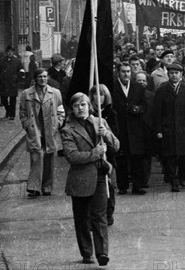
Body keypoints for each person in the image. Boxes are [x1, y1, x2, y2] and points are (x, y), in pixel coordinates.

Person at [61, 93, 119, 266]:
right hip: (80, 179)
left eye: (84, 105)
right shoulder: (68, 129)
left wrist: (106, 134)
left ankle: (102, 253)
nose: (81, 108)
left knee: (99, 216)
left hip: (100, 175)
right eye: (77, 105)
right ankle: (87, 252)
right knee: (82, 218)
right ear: (72, 109)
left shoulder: (99, 122)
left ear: (89, 106)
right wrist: (95, 153)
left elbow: (116, 145)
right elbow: (72, 156)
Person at [19, 69, 65, 198]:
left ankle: (47, 186)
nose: (43, 79)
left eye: (45, 77)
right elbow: (22, 112)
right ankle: (33, 187)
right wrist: (26, 125)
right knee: (36, 157)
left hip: (50, 129)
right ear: (35, 79)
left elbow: (61, 110)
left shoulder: (55, 93)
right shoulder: (26, 94)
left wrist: (58, 123)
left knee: (49, 159)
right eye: (40, 77)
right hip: (35, 130)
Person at [154, 63, 185, 192]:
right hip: (168, 129)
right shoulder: (162, 89)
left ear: (181, 74)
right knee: (170, 156)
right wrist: (158, 130)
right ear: (168, 74)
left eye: (177, 73)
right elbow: (158, 112)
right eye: (172, 73)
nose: (174, 75)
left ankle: (183, 177)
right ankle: (174, 181)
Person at [113, 62, 148, 195]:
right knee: (121, 158)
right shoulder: (113, 87)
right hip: (119, 128)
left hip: (135, 128)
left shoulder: (138, 87)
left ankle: (138, 186)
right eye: (123, 71)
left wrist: (138, 109)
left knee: (137, 157)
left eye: (128, 71)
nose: (126, 74)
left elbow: (145, 106)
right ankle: (122, 186)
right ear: (118, 72)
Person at [89, 84, 119, 226]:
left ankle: (108, 213)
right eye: (96, 94)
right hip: (93, 153)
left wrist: (105, 132)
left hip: (108, 155)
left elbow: (116, 135)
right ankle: (93, 215)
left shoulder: (110, 113)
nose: (99, 97)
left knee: (109, 185)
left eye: (101, 94)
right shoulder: (88, 113)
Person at [0, 45, 24, 120]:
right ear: (6, 52)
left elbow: (22, 71)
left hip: (13, 83)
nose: (10, 53)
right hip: (4, 83)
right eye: (8, 51)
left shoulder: (17, 61)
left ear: (13, 52)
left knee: (13, 99)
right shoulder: (1, 60)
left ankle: (12, 115)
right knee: (3, 99)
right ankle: (8, 110)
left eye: (11, 51)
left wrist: (17, 78)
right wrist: (0, 78)